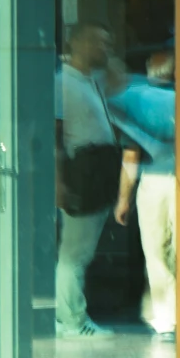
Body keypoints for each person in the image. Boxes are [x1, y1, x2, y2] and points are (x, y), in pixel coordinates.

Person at [54, 23, 123, 340]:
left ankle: (71, 317)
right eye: (100, 42)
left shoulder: (88, 80)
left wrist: (105, 60)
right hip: (83, 171)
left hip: (98, 170)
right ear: (79, 44)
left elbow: (119, 81)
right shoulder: (62, 82)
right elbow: (55, 138)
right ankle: (72, 320)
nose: (106, 49)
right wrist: (59, 183)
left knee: (80, 252)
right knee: (74, 253)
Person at [112, 51, 179, 340]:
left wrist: (123, 199)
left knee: (155, 250)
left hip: (152, 181)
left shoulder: (137, 100)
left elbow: (131, 156)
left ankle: (164, 316)